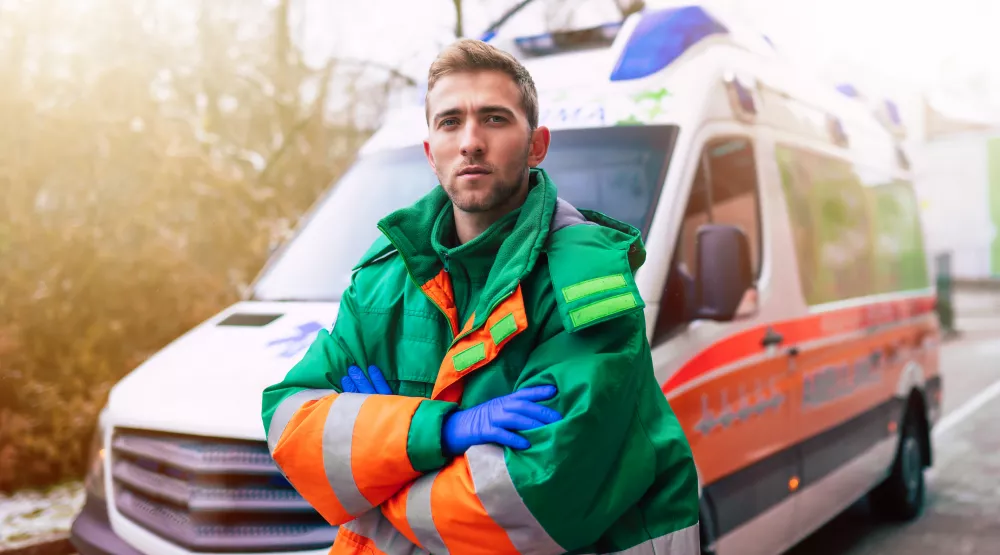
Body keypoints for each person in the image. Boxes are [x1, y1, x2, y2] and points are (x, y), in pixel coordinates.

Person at [261, 38, 700, 555]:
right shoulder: (382, 277)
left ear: (537, 145)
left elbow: (533, 498)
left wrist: (379, 470)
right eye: (449, 122)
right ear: (430, 152)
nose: (470, 141)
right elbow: (291, 421)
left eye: (494, 119)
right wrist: (441, 431)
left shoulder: (587, 280)